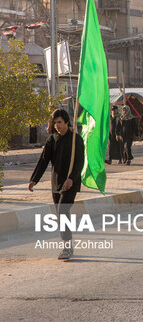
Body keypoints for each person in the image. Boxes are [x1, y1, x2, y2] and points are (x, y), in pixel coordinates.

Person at [28, 109, 85, 260]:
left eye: (60, 122)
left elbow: (80, 162)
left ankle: (66, 247)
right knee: (60, 214)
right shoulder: (52, 140)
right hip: (56, 182)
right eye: (55, 123)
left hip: (70, 183)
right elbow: (43, 160)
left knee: (62, 211)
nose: (57, 125)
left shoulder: (76, 140)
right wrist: (34, 179)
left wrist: (72, 178)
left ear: (67, 122)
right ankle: (69, 244)